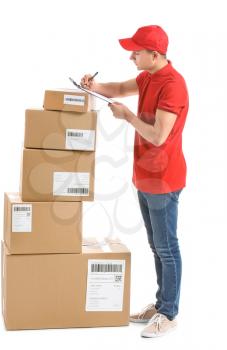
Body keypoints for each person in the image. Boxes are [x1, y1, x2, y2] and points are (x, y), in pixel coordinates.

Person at [81, 25, 189, 338]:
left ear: (155, 55)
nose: (131, 56)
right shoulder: (147, 77)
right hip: (145, 175)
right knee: (156, 246)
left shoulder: (173, 85)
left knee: (167, 248)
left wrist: (128, 117)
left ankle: (169, 313)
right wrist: (94, 84)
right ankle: (161, 304)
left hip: (164, 179)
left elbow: (158, 136)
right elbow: (115, 89)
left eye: (137, 51)